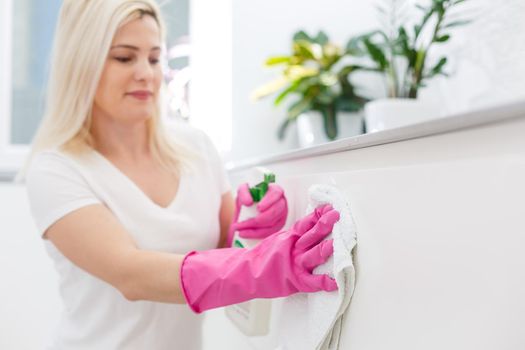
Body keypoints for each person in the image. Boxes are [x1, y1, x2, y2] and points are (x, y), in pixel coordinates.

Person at [16, 1, 340, 349]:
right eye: (125, 57)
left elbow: (227, 252)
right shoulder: (56, 169)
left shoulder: (196, 147)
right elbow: (132, 275)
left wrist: (258, 222)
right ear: (81, 63)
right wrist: (261, 265)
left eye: (155, 58)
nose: (146, 73)